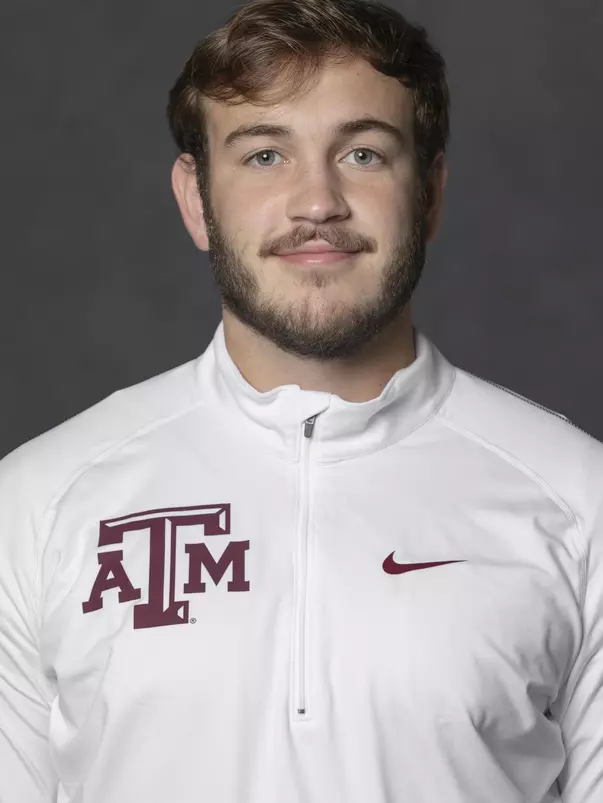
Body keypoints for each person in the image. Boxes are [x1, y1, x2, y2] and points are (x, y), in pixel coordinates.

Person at [1, 0, 601, 800]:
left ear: (428, 193)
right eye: (262, 157)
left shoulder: (578, 498)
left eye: (361, 153)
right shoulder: (36, 504)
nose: (316, 202)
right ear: (195, 199)